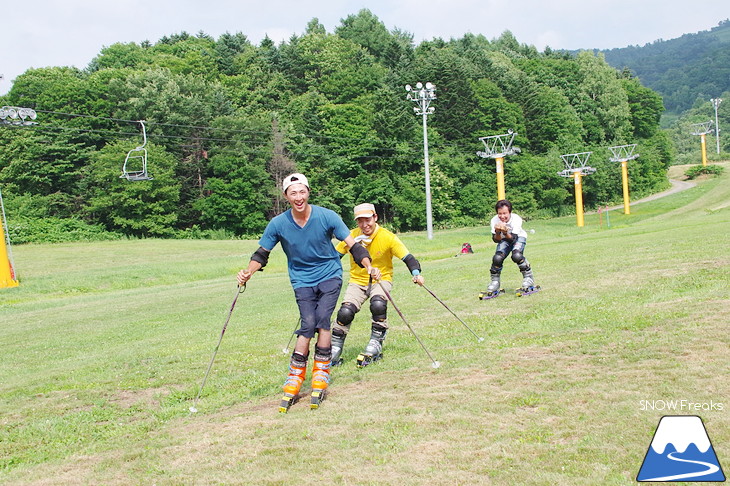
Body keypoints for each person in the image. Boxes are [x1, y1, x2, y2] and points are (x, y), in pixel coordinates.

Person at [237, 174, 379, 412]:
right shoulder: (278, 224)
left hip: (329, 275)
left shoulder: (327, 216)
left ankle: (321, 371)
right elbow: (262, 254)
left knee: (322, 320)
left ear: (308, 192)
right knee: (308, 323)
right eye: (293, 193)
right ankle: (295, 375)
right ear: (286, 197)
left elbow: (354, 245)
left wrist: (368, 265)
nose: (298, 197)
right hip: (301, 279)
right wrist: (248, 272)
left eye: (302, 192)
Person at [331, 203, 424, 368]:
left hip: (382, 280)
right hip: (357, 281)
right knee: (345, 312)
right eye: (360, 221)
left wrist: (416, 274)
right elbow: (333, 258)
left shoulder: (387, 237)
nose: (364, 225)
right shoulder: (350, 237)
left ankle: (376, 343)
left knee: (378, 304)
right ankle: (334, 349)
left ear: (375, 217)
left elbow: (408, 257)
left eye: (367, 220)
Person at [484, 199, 537, 296]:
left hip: (518, 237)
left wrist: (505, 232)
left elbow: (513, 239)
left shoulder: (516, 219)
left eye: (505, 213)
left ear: (510, 212)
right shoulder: (494, 220)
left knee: (516, 255)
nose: (502, 216)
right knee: (497, 258)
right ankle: (495, 282)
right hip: (504, 239)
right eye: (500, 213)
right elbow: (496, 240)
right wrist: (497, 231)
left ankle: (528, 278)